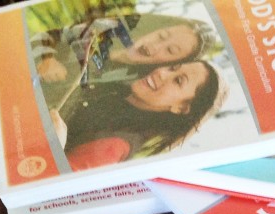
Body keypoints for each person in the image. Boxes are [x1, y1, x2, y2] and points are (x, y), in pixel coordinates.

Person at [49, 59, 227, 168]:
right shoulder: (117, 85)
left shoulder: (115, 145)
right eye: (172, 67)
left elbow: (57, 189)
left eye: (178, 80)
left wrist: (54, 145)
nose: (162, 72)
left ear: (180, 107)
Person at [30, 14, 213, 85]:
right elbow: (49, 34)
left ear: (171, 63)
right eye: (161, 36)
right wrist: (47, 58)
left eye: (170, 50)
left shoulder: (130, 84)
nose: (154, 46)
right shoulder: (108, 29)